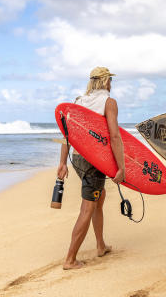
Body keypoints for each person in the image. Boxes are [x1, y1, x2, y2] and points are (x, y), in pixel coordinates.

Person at [57, 67, 126, 270]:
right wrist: (120, 167)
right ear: (105, 82)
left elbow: (67, 134)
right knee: (88, 206)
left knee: (99, 196)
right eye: (110, 81)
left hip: (78, 159)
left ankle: (100, 245)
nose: (111, 85)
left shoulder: (78, 101)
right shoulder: (109, 102)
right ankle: (70, 259)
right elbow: (114, 136)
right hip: (94, 163)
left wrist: (62, 162)